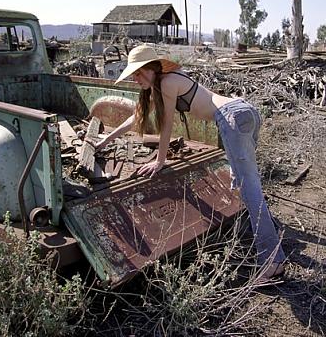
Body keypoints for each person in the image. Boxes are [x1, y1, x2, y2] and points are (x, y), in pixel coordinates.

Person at [86, 43, 286, 280]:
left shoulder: (167, 83)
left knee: (247, 185)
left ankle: (273, 262)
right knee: (245, 180)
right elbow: (136, 118)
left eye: (139, 72)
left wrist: (160, 161)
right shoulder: (162, 85)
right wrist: (103, 142)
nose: (136, 78)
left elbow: (167, 126)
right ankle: (271, 230)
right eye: (134, 74)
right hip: (244, 110)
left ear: (152, 68)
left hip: (232, 117)